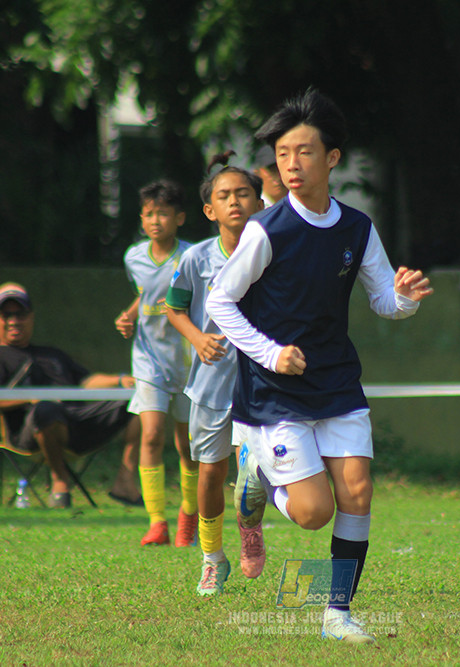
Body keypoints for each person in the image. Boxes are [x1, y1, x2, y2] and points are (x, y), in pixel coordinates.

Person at [206, 89, 433, 643]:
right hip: (273, 391)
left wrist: (406, 297)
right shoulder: (268, 229)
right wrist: (270, 352)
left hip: (336, 381)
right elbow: (218, 301)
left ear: (331, 158)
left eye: (303, 152)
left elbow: (384, 301)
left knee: (357, 491)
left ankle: (337, 615)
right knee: (313, 512)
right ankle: (257, 474)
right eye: (283, 154)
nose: (291, 164)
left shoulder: (357, 228)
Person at [165, 157, 269, 595]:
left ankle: (250, 530)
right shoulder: (194, 258)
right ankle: (212, 559)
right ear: (210, 210)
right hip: (210, 384)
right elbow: (173, 307)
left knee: (256, 471)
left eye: (242, 193)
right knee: (210, 473)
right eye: (223, 196)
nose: (234, 202)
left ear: (259, 201)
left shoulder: (273, 250)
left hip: (262, 380)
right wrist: (196, 337)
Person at [0, 282, 142, 508]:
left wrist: (120, 380)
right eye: (6, 314)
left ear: (31, 317)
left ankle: (125, 480)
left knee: (140, 400)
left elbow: (85, 382)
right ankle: (59, 480)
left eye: (20, 314)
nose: (14, 320)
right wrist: (33, 399)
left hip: (77, 422)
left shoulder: (52, 354)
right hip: (29, 431)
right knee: (45, 409)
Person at [115, 180, 197, 547]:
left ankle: (188, 515)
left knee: (189, 446)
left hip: (189, 362)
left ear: (179, 218)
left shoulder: (194, 256)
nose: (155, 220)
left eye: (163, 213)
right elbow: (144, 294)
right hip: (148, 360)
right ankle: (156, 521)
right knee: (150, 434)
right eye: (149, 214)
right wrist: (129, 314)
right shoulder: (133, 256)